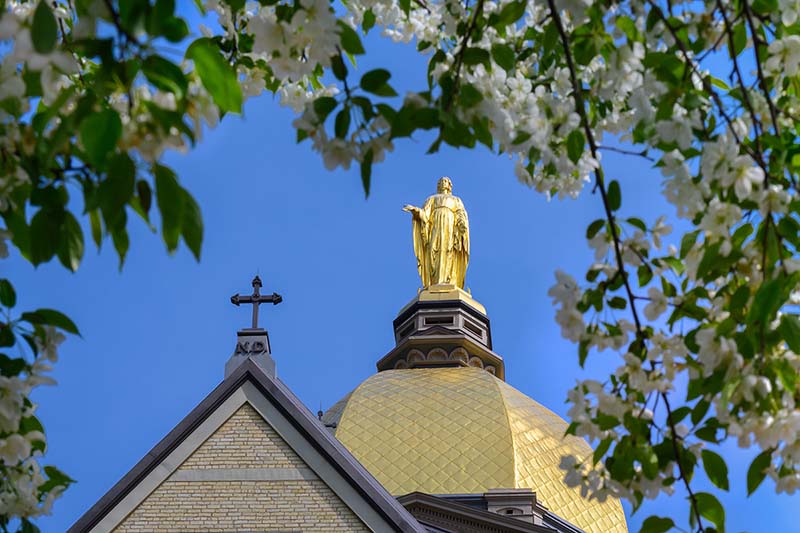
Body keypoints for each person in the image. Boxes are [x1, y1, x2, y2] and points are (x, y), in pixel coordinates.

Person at [403, 177, 470, 289]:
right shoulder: (432, 199)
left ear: (449, 185)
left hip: (449, 225)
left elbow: (460, 213)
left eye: (445, 181)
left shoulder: (456, 200)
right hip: (436, 226)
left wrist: (461, 223)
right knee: (434, 249)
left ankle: (447, 280)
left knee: (449, 250)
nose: (442, 183)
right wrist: (415, 210)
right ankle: (435, 280)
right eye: (440, 181)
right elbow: (425, 215)